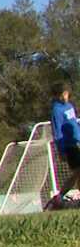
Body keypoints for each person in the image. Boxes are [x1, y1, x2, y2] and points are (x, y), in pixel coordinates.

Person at [46, 82, 80, 210]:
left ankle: (60, 198)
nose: (66, 96)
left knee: (78, 173)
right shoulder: (56, 110)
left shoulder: (70, 106)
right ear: (58, 95)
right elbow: (57, 132)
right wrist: (61, 150)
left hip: (77, 142)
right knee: (77, 171)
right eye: (63, 94)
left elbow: (74, 124)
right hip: (69, 146)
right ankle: (59, 197)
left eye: (67, 93)